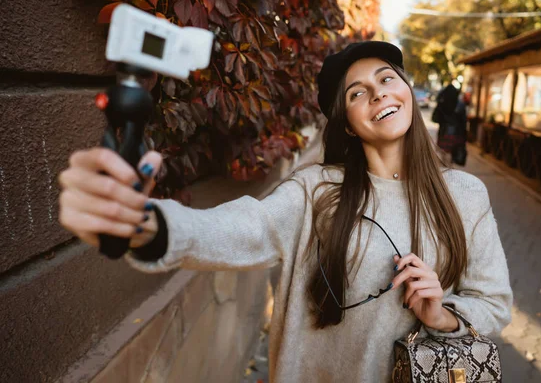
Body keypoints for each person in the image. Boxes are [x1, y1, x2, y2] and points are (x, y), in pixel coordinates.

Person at [58, 41, 512, 382]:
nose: (378, 93)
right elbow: (243, 227)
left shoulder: (464, 194)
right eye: (357, 93)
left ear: (407, 89)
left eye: (387, 78)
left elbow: (493, 303)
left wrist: (442, 315)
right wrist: (148, 224)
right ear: (347, 126)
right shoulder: (317, 192)